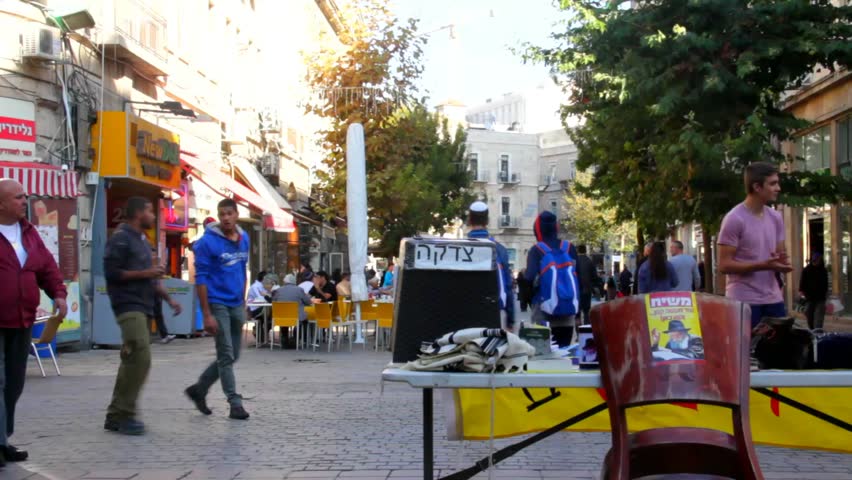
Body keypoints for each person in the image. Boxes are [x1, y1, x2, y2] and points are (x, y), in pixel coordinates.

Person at [0, 179, 67, 462]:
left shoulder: (28, 233)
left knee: (14, 384)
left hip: (22, 320)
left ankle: (4, 437)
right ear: (1, 203)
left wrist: (59, 295)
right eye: (18, 197)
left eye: (25, 196)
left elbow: (47, 268)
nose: (24, 201)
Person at [103, 197, 181, 435]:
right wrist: (147, 272)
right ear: (138, 213)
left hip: (144, 305)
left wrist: (168, 299)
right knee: (141, 357)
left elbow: (150, 277)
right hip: (128, 305)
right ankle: (126, 414)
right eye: (150, 210)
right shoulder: (120, 239)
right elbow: (112, 273)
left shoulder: (142, 240)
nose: (154, 215)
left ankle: (115, 414)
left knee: (131, 360)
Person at [184, 198, 251, 421]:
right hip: (217, 303)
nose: (225, 218)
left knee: (234, 355)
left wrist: (242, 301)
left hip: (235, 304)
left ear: (236, 214)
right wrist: (207, 314)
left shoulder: (244, 239)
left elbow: (242, 270)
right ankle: (235, 402)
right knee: (225, 354)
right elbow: (200, 279)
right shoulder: (206, 243)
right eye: (222, 214)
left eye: (229, 213)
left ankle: (199, 389)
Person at [717, 162, 792, 328]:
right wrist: (762, 265)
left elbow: (778, 256)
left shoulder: (776, 217)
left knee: (781, 352)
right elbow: (723, 265)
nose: (778, 188)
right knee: (747, 353)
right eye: (773, 183)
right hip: (744, 301)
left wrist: (781, 263)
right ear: (757, 187)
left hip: (774, 300)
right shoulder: (735, 219)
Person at [524, 210, 576, 346]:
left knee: (542, 359)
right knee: (564, 354)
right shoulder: (569, 248)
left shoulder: (536, 250)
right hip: (567, 311)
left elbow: (528, 279)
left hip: (543, 312)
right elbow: (578, 279)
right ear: (556, 228)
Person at [467, 201, 516, 332]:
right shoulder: (499, 249)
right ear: (487, 221)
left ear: (469, 220)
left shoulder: (461, 248)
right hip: (495, 311)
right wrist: (510, 319)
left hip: (467, 312)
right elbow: (508, 287)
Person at [270, 274, 321, 347]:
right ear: (294, 282)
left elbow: (273, 301)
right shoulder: (299, 289)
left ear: (285, 282)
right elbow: (308, 302)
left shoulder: (278, 290)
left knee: (285, 319)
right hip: (296, 317)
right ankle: (298, 338)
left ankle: (285, 338)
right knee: (304, 319)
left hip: (281, 317)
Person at [799, 253, 829, 330]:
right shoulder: (806, 270)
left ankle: (817, 332)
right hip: (809, 298)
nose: (816, 262)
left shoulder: (823, 270)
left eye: (818, 261)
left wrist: (826, 295)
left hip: (820, 298)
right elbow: (802, 283)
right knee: (809, 315)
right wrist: (802, 293)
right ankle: (812, 329)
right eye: (815, 261)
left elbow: (826, 284)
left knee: (819, 317)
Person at [575, 245, 596, 325]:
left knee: (577, 313)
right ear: (585, 251)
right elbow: (594, 276)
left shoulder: (574, 261)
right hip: (587, 290)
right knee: (587, 312)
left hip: (577, 291)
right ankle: (585, 330)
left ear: (578, 251)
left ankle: (578, 332)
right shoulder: (589, 261)